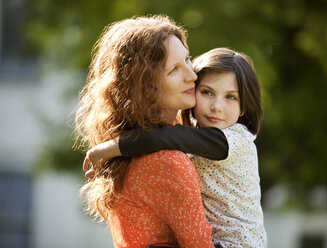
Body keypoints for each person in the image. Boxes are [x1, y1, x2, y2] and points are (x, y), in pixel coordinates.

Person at [74, 15, 231, 248]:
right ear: (145, 86)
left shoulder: (127, 155)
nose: (193, 75)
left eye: (188, 60)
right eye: (174, 70)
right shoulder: (167, 162)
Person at [84, 48, 267, 247]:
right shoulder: (198, 135)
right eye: (207, 92)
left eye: (231, 97)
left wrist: (107, 150)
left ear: (244, 107)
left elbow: (165, 137)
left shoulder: (234, 140)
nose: (217, 106)